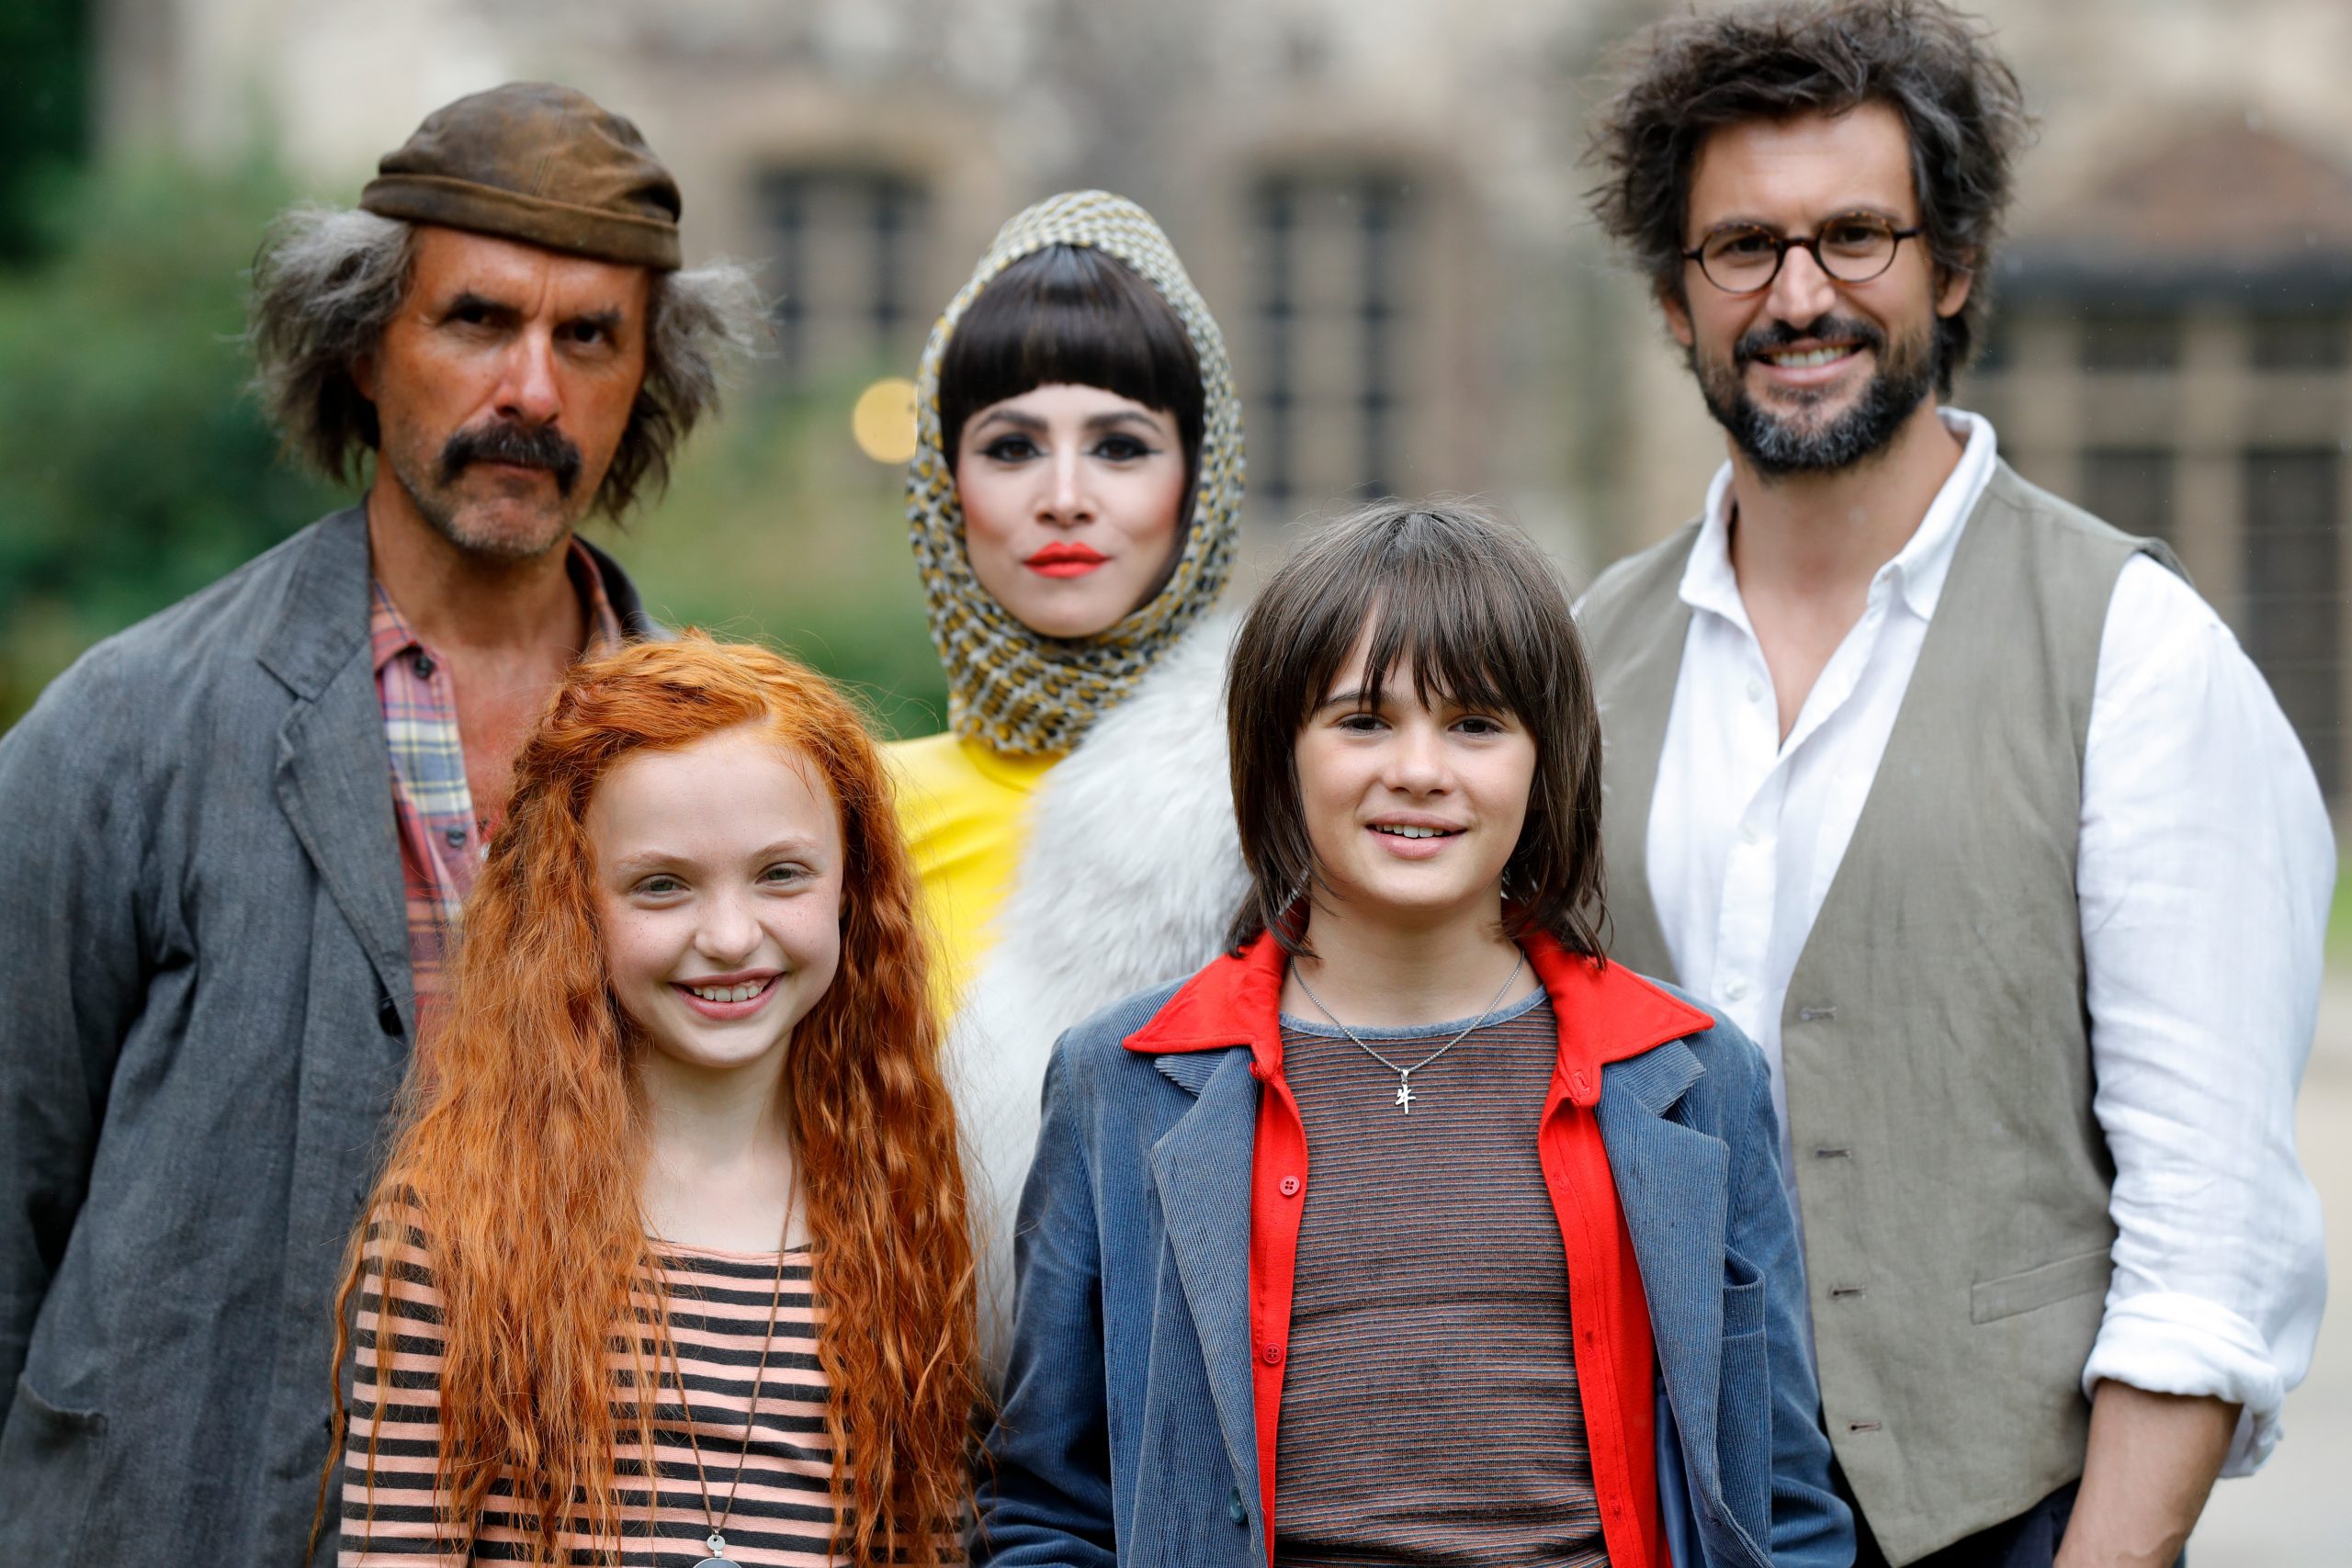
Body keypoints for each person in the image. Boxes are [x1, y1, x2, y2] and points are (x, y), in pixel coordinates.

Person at [1578, 3, 2332, 1563]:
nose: (1800, 296)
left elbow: (2208, 1239)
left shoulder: (2134, 652)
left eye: (1857, 236)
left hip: (2002, 1524)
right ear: (1672, 298)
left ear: (1956, 265)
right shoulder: (1579, 661)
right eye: (1743, 248)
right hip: (1633, 1512)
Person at [0, 83, 762, 1562]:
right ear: (360, 344)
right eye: (477, 319)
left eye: (589, 337)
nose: (531, 389)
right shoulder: (126, 730)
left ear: (647, 378)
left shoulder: (724, 760)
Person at [978, 502, 1852, 1568]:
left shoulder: (1693, 1076)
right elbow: (1050, 1507)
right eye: (1363, 720)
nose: (1420, 769)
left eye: (1475, 724)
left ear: (1547, 761)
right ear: (1276, 754)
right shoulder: (1121, 1082)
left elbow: (1781, 1505)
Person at [333, 635, 974, 1567]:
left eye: (781, 873)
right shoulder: (456, 1221)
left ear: (853, 886)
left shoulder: (903, 1212)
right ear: (571, 907)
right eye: (662, 886)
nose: (730, 935)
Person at [889, 189, 1250, 1349]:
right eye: (1009, 447)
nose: (1063, 497)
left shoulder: (1306, 791)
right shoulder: (839, 809)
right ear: (944, 484)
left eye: (1120, 446)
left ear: (1199, 480)